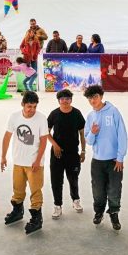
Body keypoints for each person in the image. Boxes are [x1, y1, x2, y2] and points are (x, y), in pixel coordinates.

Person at [1, 91, 49, 235]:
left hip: (34, 163)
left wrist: (38, 160)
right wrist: (3, 157)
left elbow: (43, 141)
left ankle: (36, 219)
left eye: (34, 107)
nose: (32, 110)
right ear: (22, 104)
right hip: (18, 161)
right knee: (18, 189)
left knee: (35, 191)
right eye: (29, 106)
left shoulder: (41, 118)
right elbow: (7, 137)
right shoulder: (14, 117)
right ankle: (17, 211)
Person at [83, 85, 128, 231]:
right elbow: (89, 141)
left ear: (101, 96)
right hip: (97, 161)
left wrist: (120, 157)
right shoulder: (90, 116)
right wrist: (93, 132)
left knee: (114, 189)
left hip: (114, 160)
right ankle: (99, 212)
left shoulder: (113, 111)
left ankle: (114, 214)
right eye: (90, 98)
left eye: (95, 97)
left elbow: (122, 134)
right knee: (98, 190)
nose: (93, 100)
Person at [46, 89, 87, 219]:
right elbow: (46, 132)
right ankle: (57, 205)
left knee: (73, 178)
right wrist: (55, 145)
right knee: (56, 180)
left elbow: (82, 134)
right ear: (59, 100)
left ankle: (76, 200)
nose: (65, 101)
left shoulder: (77, 113)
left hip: (73, 153)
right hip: (57, 154)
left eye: (67, 98)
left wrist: (83, 151)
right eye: (62, 99)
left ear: (71, 100)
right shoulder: (54, 114)